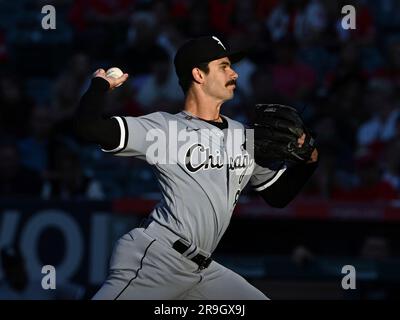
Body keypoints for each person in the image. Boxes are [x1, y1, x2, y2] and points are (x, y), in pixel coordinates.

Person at [74, 35, 318, 300]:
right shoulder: (164, 130)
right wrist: (100, 85)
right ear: (198, 75)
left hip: (202, 271)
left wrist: (309, 159)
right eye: (224, 66)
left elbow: (277, 195)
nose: (234, 73)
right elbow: (89, 128)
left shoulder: (242, 135)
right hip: (158, 259)